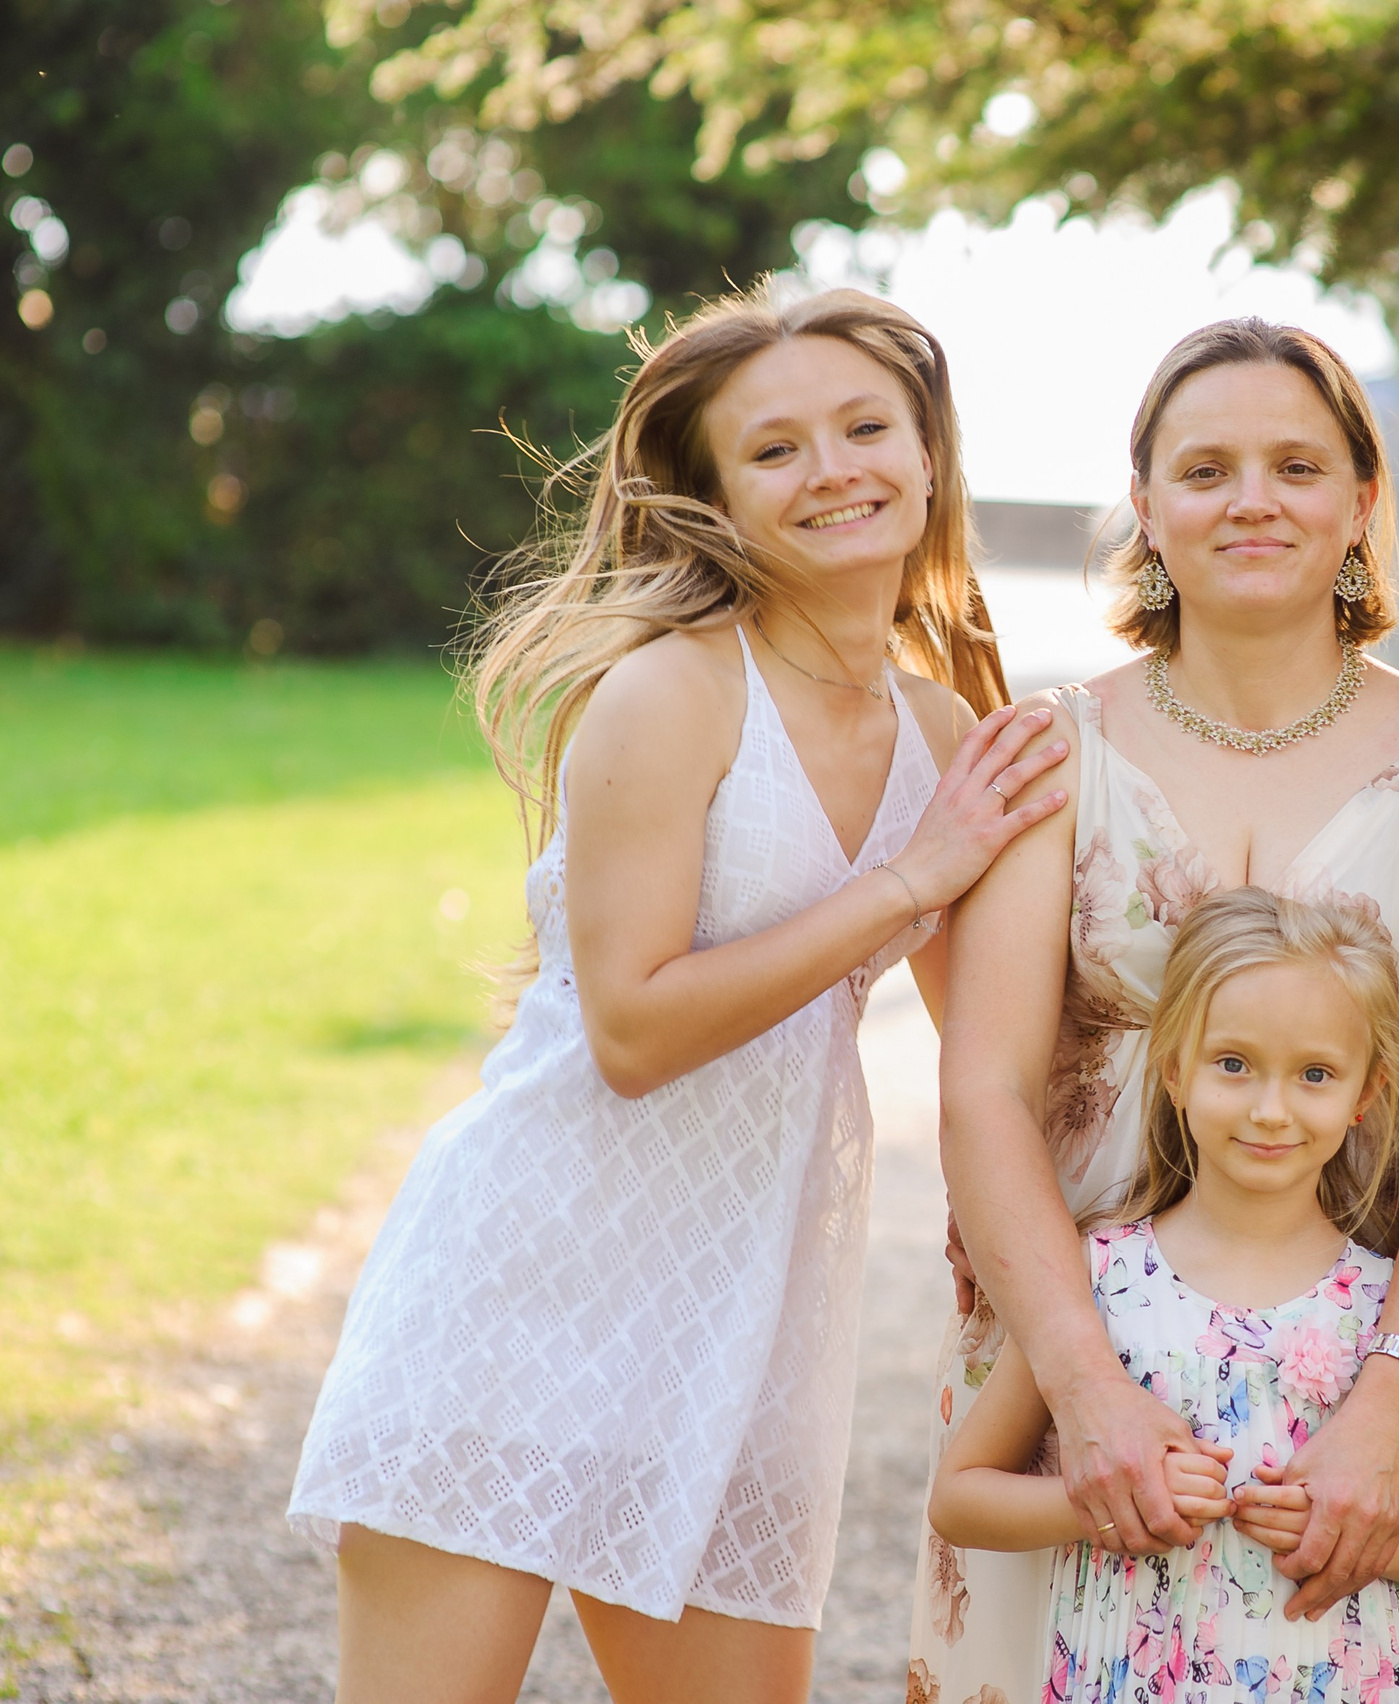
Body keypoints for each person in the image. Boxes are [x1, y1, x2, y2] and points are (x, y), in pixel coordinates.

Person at [287, 285, 1071, 1704]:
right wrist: (911, 879)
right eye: (774, 449)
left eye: (865, 428)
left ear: (926, 455)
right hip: (519, 1294)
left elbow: (1001, 1055)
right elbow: (634, 1030)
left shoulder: (937, 729)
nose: (832, 469)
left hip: (747, 1328)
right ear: (712, 498)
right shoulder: (674, 694)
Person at [913, 318, 1399, 1704]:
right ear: (1146, 505)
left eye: (1296, 467)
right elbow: (984, 1089)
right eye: (1206, 470)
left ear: (1363, 500)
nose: (1252, 500)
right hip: (1076, 1328)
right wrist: (1081, 1384)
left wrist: (1395, 1397)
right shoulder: (1051, 752)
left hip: (1358, 1348)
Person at [929, 887, 1399, 1702]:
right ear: (1175, 1069)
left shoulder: (1392, 1308)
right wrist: (1104, 1504)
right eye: (1234, 1065)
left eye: (1314, 1074)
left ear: (1366, 1094)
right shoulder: (1097, 1277)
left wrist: (1366, 1542)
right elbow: (960, 1498)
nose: (1270, 1109)